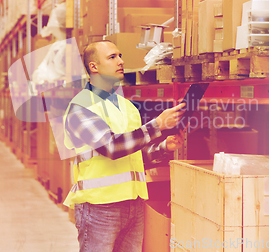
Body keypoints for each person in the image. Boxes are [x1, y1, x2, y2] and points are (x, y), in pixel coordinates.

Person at [63, 40, 186, 252]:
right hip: (99, 207)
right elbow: (111, 148)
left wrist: (164, 146)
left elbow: (133, 154)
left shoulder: (127, 107)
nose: (120, 61)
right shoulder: (81, 107)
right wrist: (157, 125)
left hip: (134, 204)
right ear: (94, 67)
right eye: (112, 57)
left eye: (120, 55)